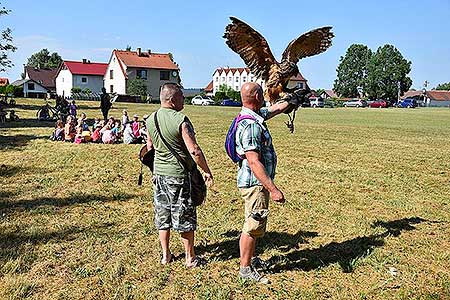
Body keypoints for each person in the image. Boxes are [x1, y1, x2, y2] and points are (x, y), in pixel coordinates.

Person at [234, 82, 303, 284]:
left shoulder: (251, 115)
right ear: (256, 96)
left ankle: (252, 259)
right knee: (253, 225)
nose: (265, 95)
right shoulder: (251, 125)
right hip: (256, 183)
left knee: (255, 224)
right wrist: (273, 189)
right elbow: (253, 160)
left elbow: (274, 109)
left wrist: (292, 100)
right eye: (261, 93)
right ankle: (245, 269)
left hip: (257, 183)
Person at [146, 82, 213, 268]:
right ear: (172, 100)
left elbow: (150, 148)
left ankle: (165, 255)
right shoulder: (181, 119)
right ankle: (190, 258)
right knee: (184, 216)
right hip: (179, 176)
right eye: (182, 96)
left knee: (163, 215)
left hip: (159, 175)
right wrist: (206, 171)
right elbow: (194, 150)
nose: (184, 98)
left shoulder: (151, 119)